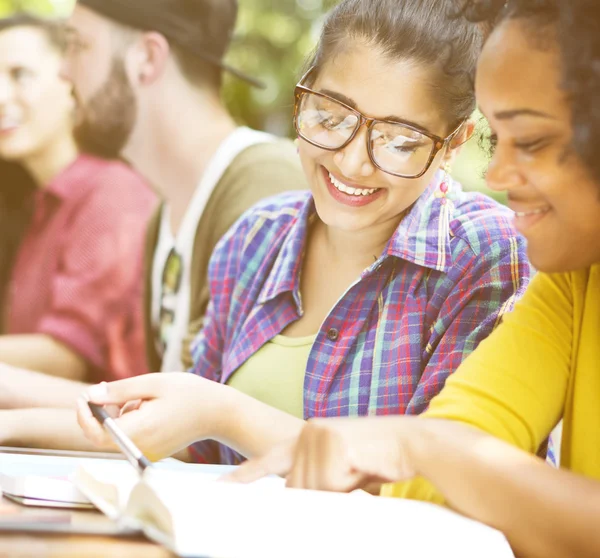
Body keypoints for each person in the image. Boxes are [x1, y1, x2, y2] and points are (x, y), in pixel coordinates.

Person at [76, 0, 531, 464]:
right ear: (304, 92)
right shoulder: (255, 238)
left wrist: (224, 414)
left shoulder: (484, 255)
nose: (351, 163)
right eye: (330, 117)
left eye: (399, 142)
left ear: (453, 143)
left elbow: (446, 477)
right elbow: (196, 454)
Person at [226, 1, 600, 557]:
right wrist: (423, 448)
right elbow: (436, 481)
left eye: (534, 142)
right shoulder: (569, 285)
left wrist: (416, 444)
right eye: (498, 141)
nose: (496, 175)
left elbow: (442, 458)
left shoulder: (489, 252)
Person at [0, 0, 307, 413]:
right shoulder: (165, 214)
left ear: (147, 58)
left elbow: (202, 428)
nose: (64, 70)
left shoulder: (264, 188)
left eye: (78, 46)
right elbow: (164, 426)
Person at [0, 14, 156, 383]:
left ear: (71, 80)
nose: (1, 96)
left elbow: (68, 355)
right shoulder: (40, 203)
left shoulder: (112, 193)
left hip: (101, 437)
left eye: (21, 75)